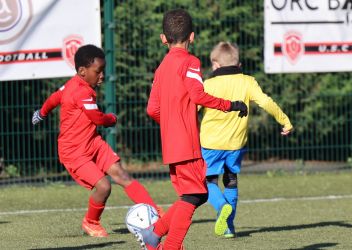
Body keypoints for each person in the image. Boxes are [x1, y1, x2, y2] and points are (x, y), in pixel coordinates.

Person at [136, 9, 248, 250]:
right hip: (186, 142)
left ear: (163, 38)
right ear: (192, 36)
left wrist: (170, 124)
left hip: (171, 143)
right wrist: (230, 105)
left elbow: (152, 109)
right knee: (195, 195)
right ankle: (169, 245)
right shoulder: (190, 62)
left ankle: (153, 233)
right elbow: (198, 95)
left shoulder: (161, 67)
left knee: (194, 194)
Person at [31, 44, 162, 238]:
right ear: (82, 71)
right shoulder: (81, 92)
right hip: (74, 152)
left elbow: (55, 97)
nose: (101, 76)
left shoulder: (73, 85)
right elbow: (98, 118)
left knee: (121, 174)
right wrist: (112, 118)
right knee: (104, 186)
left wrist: (41, 113)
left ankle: (154, 212)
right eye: (98, 71)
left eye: (103, 71)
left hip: (92, 142)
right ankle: (90, 222)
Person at [200, 41, 293, 238]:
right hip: (236, 144)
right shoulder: (248, 81)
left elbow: (191, 109)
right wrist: (284, 120)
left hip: (210, 144)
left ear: (215, 65)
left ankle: (221, 206)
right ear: (238, 64)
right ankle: (229, 227)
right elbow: (266, 102)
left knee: (208, 181)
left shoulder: (207, 85)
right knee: (231, 180)